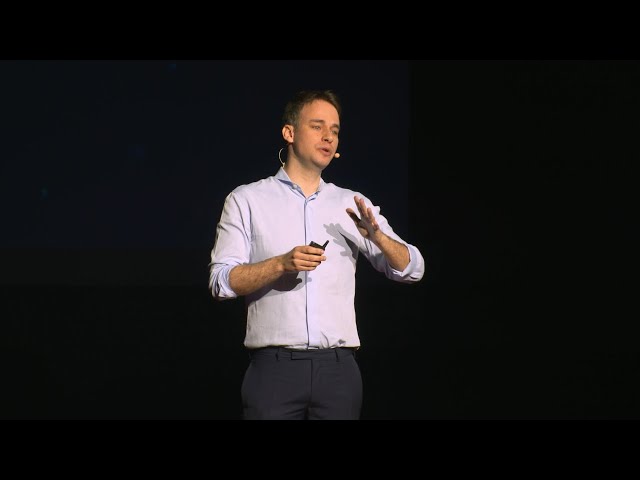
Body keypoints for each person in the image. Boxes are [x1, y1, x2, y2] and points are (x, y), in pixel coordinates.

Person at [208, 89, 425, 420]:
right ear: (289, 132)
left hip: (338, 370)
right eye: (317, 126)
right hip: (274, 370)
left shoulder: (351, 204)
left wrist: (378, 237)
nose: (328, 136)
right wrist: (281, 264)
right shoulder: (247, 200)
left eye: (335, 130)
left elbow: (413, 269)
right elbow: (221, 282)